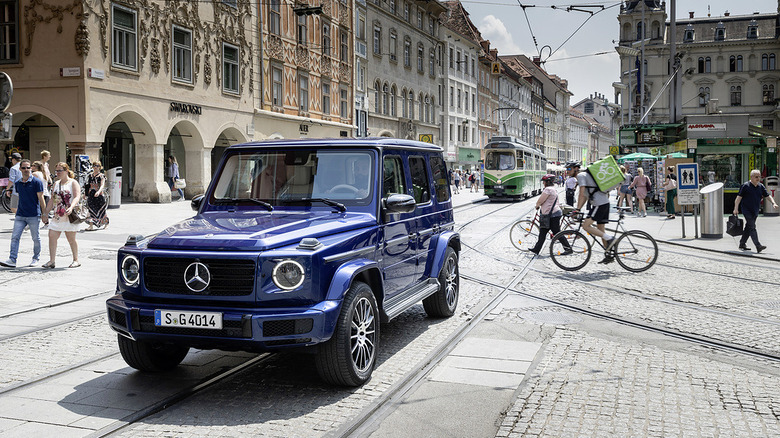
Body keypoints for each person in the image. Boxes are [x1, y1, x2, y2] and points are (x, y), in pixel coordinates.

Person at [0, 160, 47, 268]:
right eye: (24, 168)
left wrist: (44, 214)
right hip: (20, 215)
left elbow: (41, 199)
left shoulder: (37, 182)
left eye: (28, 168)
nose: (26, 170)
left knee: (35, 238)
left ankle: (36, 258)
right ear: (20, 169)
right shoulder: (18, 184)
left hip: (33, 215)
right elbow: (19, 198)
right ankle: (12, 259)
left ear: (31, 168)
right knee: (15, 237)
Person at [573, 160, 616, 264]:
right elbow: (585, 197)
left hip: (599, 204)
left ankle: (611, 238)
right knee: (601, 230)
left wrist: (578, 209)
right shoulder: (585, 175)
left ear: (576, 168)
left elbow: (582, 194)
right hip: (603, 203)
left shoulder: (580, 176)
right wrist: (578, 208)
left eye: (569, 168)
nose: (567, 171)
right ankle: (609, 254)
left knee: (585, 226)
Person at [43, 162, 82, 268]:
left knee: (71, 238)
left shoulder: (73, 183)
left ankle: (76, 260)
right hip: (58, 215)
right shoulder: (56, 184)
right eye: (56, 171)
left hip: (69, 215)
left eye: (60, 170)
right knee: (51, 236)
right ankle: (52, 261)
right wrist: (46, 212)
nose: (58, 173)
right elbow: (52, 199)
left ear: (66, 171)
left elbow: (77, 196)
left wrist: (72, 206)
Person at [733, 169, 777, 253]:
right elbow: (738, 198)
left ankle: (742, 243)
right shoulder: (745, 186)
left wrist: (773, 203)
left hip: (755, 210)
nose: (758, 178)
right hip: (746, 210)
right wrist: (736, 208)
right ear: (751, 177)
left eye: (759, 176)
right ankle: (758, 245)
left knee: (748, 227)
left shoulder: (761, 186)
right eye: (756, 177)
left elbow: (767, 196)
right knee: (752, 227)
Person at [529, 174, 572, 255]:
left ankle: (568, 248)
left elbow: (540, 200)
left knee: (556, 232)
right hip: (553, 214)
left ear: (548, 182)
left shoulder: (548, 190)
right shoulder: (553, 189)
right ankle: (536, 249)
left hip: (552, 215)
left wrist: (537, 205)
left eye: (544, 181)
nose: (543, 183)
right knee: (543, 232)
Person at [86, 160, 108, 230]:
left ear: (100, 167)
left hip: (99, 195)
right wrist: (85, 194)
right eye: (94, 166)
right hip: (91, 194)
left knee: (101, 210)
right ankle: (91, 225)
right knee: (91, 210)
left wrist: (98, 191)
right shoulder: (90, 176)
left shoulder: (101, 176)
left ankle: (106, 223)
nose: (95, 167)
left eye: (97, 166)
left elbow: (102, 185)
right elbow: (87, 185)